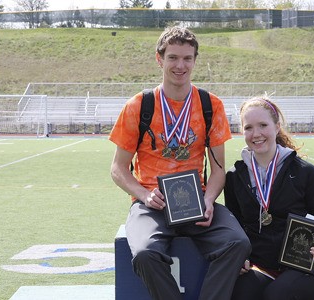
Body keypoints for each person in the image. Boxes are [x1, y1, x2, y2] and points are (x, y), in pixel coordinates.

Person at [109, 26, 251, 300]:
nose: (180, 65)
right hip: (152, 204)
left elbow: (218, 169)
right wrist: (144, 195)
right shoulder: (139, 106)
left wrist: (209, 200)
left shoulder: (211, 105)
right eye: (173, 57)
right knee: (145, 254)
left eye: (187, 58)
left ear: (195, 60)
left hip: (195, 201)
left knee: (238, 242)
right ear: (159, 59)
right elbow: (118, 168)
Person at [224, 96, 314, 300]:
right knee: (238, 293)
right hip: (261, 265)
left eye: (263, 125)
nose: (256, 134)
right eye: (248, 127)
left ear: (277, 127)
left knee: (276, 295)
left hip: (304, 265)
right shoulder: (234, 176)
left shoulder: (305, 172)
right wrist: (240, 258)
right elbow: (235, 226)